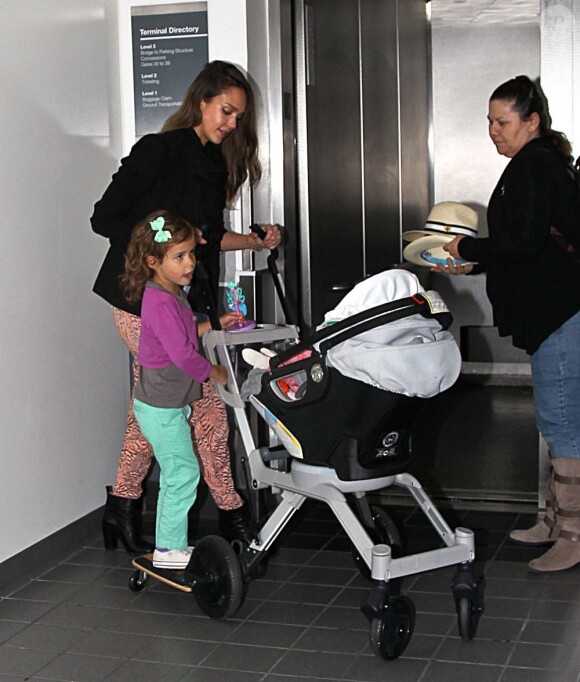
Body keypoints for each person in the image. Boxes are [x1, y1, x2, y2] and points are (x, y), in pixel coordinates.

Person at [91, 60, 281, 553]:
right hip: (140, 302)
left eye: (239, 117)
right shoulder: (158, 150)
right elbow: (104, 217)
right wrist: (157, 242)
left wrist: (256, 242)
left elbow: (208, 238)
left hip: (182, 304)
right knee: (205, 404)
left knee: (152, 411)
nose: (232, 124)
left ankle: (123, 507)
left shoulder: (212, 162)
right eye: (226, 111)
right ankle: (232, 511)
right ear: (201, 101)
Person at [434, 75, 580, 573]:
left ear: (531, 120)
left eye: (503, 121)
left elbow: (523, 242)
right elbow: (525, 245)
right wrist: (474, 263)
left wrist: (468, 249)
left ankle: (573, 534)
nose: (494, 131)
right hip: (554, 312)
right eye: (490, 122)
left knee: (563, 424)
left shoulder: (534, 166)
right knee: (556, 419)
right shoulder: (536, 164)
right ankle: (554, 519)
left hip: (559, 314)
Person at [121, 210, 237, 568]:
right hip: (160, 408)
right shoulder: (158, 301)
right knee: (182, 472)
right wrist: (216, 372)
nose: (190, 263)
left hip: (170, 404)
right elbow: (185, 357)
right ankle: (169, 549)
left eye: (191, 254)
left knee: (179, 471)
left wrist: (212, 326)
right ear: (153, 262)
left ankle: (170, 545)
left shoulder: (173, 294)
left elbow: (182, 337)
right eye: (179, 256)